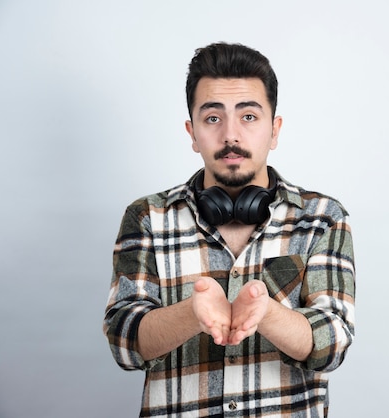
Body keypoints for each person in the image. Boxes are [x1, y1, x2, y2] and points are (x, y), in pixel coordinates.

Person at [103, 42, 356, 417]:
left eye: (249, 117)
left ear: (275, 130)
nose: (231, 135)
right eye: (212, 118)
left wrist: (266, 313)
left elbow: (334, 344)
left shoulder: (322, 216)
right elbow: (124, 343)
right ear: (192, 132)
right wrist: (192, 313)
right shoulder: (147, 217)